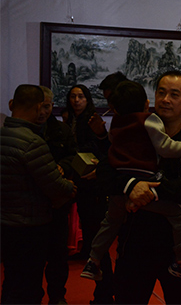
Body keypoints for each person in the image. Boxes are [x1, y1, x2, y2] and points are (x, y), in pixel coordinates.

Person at [96, 71, 181, 304]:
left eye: (174, 94)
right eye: (161, 93)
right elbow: (105, 172)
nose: (165, 100)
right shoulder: (137, 128)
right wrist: (131, 185)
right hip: (136, 239)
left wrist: (149, 191)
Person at [1, 85, 77, 304]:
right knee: (27, 286)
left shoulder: (4, 134)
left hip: (7, 220)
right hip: (30, 223)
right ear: (36, 107)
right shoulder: (32, 142)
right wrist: (70, 186)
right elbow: (56, 187)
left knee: (13, 280)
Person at [64, 84, 114, 304]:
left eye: (81, 96)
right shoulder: (68, 120)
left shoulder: (92, 121)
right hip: (73, 179)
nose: (77, 100)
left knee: (97, 235)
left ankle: (104, 292)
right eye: (73, 96)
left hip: (90, 181)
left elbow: (98, 150)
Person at [37, 86, 78, 305]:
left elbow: (73, 155)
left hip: (58, 203)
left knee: (58, 256)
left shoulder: (61, 130)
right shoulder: (26, 131)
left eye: (46, 106)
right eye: (38, 106)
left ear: (52, 106)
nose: (42, 111)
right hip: (33, 202)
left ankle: (57, 296)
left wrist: (63, 166)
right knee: (32, 258)